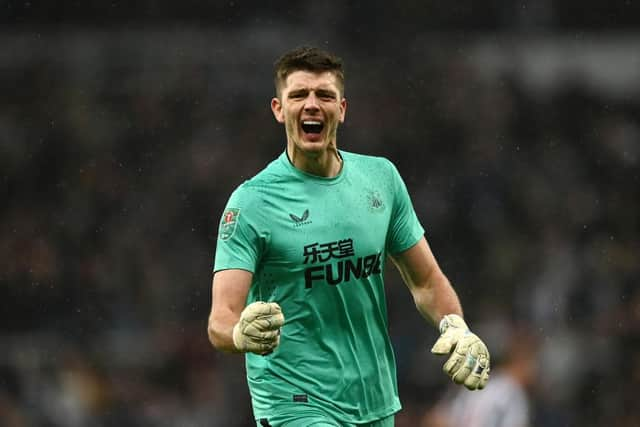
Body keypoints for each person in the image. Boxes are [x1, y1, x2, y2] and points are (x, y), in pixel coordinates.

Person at [207, 46, 490, 427]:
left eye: (324, 95)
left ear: (341, 109)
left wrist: (455, 325)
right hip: (295, 403)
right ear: (278, 109)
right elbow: (220, 318)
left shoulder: (381, 180)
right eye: (298, 95)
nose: (311, 105)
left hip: (374, 401)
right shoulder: (251, 202)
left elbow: (426, 281)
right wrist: (240, 332)